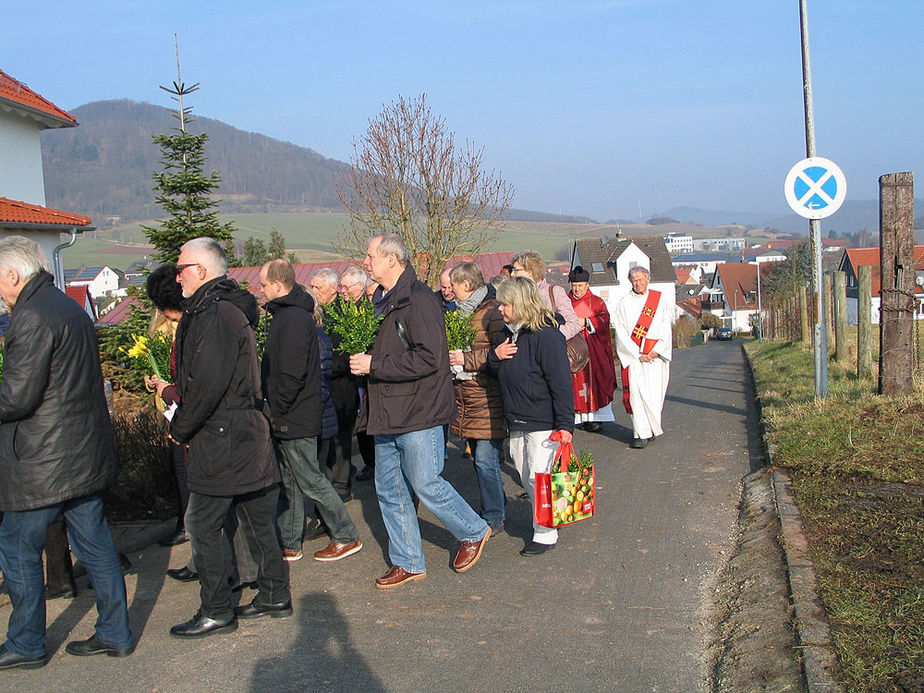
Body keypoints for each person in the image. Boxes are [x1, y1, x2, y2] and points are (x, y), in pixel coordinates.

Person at [0, 236, 133, 668]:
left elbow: (17, 397)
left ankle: (25, 643)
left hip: (42, 461)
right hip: (80, 452)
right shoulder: (66, 307)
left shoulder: (30, 316)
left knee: (18, 546)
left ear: (13, 275)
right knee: (95, 544)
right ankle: (115, 632)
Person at [349, 233, 490, 589]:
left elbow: (431, 358)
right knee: (389, 488)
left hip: (418, 410)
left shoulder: (419, 300)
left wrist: (374, 364)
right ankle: (408, 560)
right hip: (387, 411)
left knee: (426, 482)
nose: (365, 262)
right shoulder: (381, 301)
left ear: (391, 261)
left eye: (370, 257)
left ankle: (473, 530)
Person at [169, 238, 291, 638]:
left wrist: (180, 427)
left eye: (182, 267)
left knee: (202, 523)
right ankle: (273, 594)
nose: (177, 276)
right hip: (244, 433)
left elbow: (207, 384)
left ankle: (217, 608)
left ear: (201, 271)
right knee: (258, 519)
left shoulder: (214, 314)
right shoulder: (224, 308)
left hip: (224, 436)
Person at [260, 259, 362, 563]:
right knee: (291, 480)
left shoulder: (291, 319)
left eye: (264, 285)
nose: (262, 291)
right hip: (293, 414)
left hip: (295, 416)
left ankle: (346, 535)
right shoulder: (292, 316)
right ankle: (291, 541)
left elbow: (290, 374)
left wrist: (275, 409)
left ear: (278, 285)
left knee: (310, 479)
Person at [489, 276, 574, 556]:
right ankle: (549, 516)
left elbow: (561, 383)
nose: (500, 309)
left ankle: (545, 533)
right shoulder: (507, 334)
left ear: (521, 304)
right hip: (516, 419)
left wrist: (565, 425)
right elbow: (494, 369)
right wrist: (494, 357)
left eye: (505, 304)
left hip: (543, 421)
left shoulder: (547, 336)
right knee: (525, 475)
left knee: (540, 477)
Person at [447, 262, 507, 536]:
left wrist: (467, 360)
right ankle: (498, 503)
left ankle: (494, 516)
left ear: (467, 285)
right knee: (481, 459)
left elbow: (501, 352)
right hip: (466, 396)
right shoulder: (459, 312)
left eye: (454, 285)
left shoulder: (492, 311)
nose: (449, 290)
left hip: (486, 395)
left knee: (485, 458)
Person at [144, 264, 189, 548]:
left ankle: (188, 526)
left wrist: (168, 388)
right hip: (172, 406)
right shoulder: (166, 326)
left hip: (183, 409)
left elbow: (190, 384)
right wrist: (154, 381)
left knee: (186, 471)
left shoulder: (187, 328)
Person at [613, 266, 672, 449]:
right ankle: (640, 433)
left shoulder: (658, 300)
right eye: (634, 280)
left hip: (655, 358)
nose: (637, 283)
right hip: (636, 359)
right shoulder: (624, 303)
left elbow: (665, 327)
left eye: (640, 279)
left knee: (654, 395)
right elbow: (620, 332)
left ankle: (652, 427)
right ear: (630, 282)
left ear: (648, 279)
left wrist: (657, 350)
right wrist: (637, 353)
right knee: (637, 397)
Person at [310, 267, 353, 502]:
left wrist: (328, 367)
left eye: (318, 287)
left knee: (341, 438)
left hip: (340, 384)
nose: (315, 291)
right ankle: (337, 479)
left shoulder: (343, 314)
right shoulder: (319, 312)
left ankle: (341, 485)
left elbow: (346, 352)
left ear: (333, 288)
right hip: (327, 383)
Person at [338, 267, 376, 483]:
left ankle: (373, 463)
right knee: (360, 424)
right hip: (351, 376)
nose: (342, 290)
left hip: (364, 375)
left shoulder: (368, 311)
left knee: (366, 423)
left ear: (359, 287)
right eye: (341, 286)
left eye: (346, 286)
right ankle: (370, 463)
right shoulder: (346, 309)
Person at [568, 266, 617, 433]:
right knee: (574, 382)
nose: (577, 289)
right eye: (574, 285)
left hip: (593, 350)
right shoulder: (565, 301)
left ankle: (596, 418)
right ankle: (577, 416)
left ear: (587, 285)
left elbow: (604, 319)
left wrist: (588, 322)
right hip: (572, 351)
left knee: (596, 380)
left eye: (580, 285)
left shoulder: (597, 302)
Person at [510, 251, 581, 339]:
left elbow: (574, 324)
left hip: (550, 349)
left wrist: (551, 339)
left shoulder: (555, 292)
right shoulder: (513, 295)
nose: (512, 274)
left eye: (516, 270)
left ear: (530, 271)